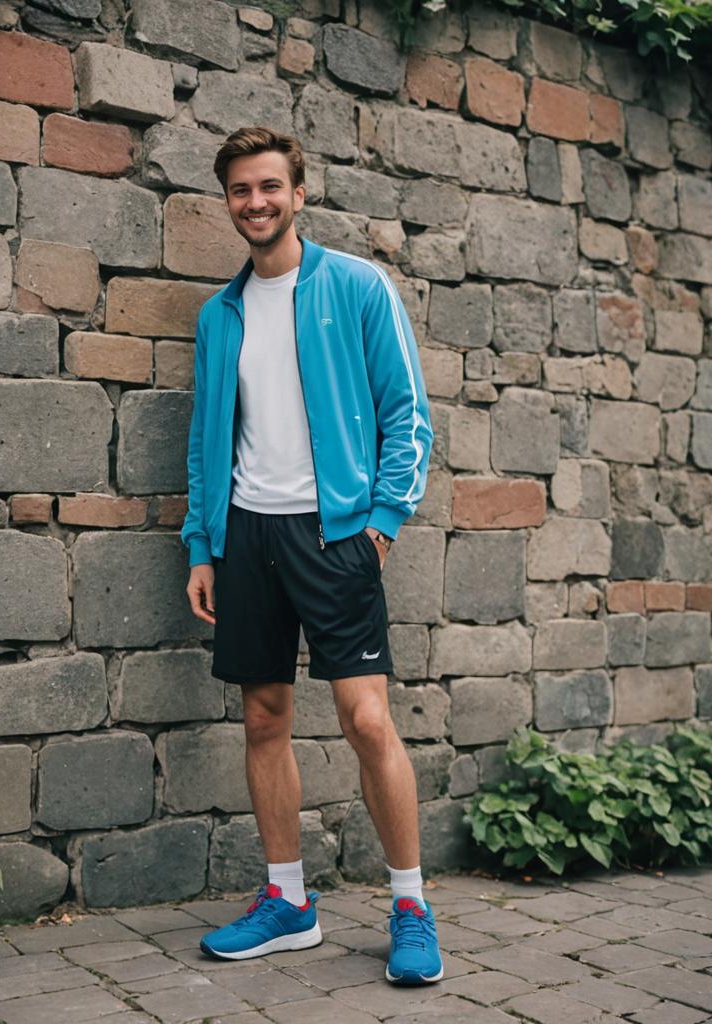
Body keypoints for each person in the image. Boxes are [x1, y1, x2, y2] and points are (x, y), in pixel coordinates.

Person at [180, 126, 441, 985]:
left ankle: (409, 905)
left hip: (335, 534)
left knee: (368, 719)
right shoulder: (219, 316)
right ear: (228, 201)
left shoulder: (358, 286)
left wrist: (382, 520)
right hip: (247, 533)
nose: (254, 202)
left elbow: (407, 412)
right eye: (239, 191)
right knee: (264, 716)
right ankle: (288, 902)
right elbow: (205, 439)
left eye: (268, 187)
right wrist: (203, 544)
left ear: (299, 192)